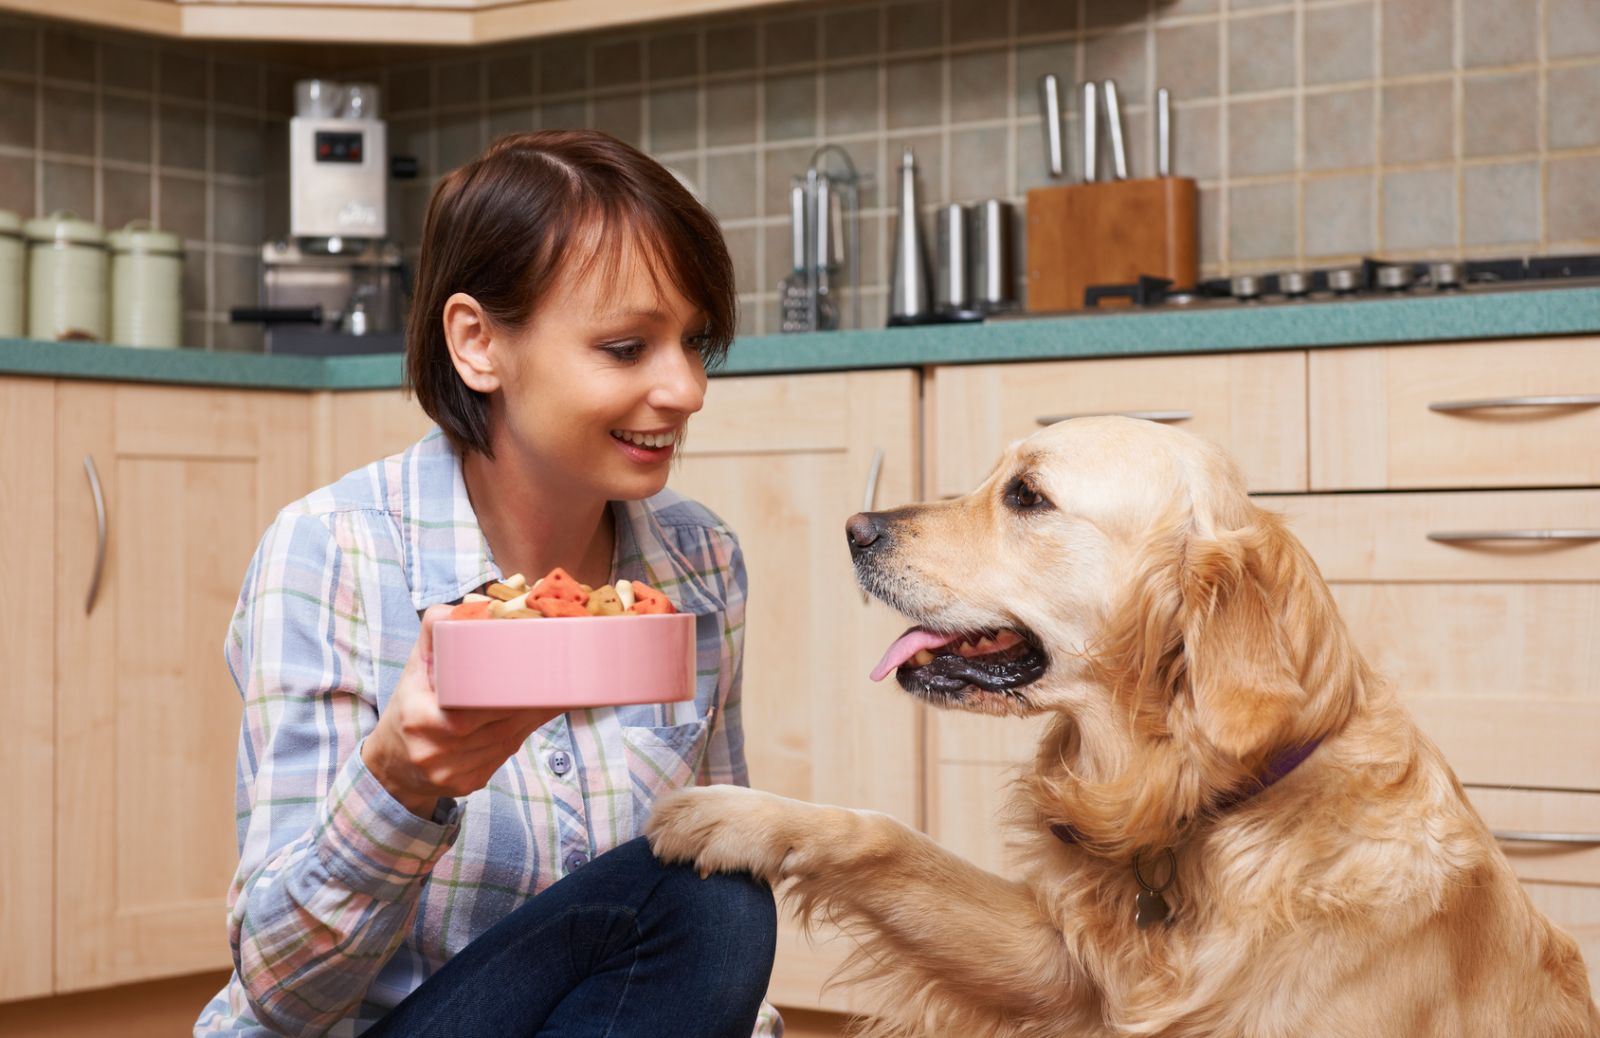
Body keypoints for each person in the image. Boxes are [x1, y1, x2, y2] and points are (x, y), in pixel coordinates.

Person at [194, 130, 781, 1037]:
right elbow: (282, 994)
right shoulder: (336, 554)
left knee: (720, 888)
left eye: (694, 341)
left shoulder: (700, 564)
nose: (689, 388)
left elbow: (684, 947)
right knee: (711, 903)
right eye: (628, 347)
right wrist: (397, 785)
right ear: (477, 342)